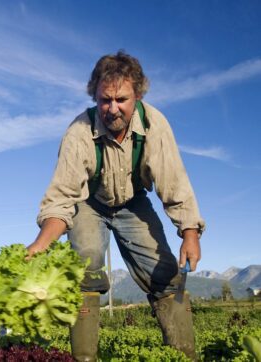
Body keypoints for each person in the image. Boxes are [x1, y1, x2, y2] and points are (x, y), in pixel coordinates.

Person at [27, 51, 205, 361]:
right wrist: (40, 246)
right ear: (95, 96)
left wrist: (190, 233)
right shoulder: (79, 132)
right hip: (89, 203)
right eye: (104, 100)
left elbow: (174, 182)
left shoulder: (154, 125)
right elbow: (63, 198)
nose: (112, 108)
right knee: (85, 263)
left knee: (167, 273)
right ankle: (84, 357)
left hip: (133, 202)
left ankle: (184, 355)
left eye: (121, 99)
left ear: (137, 95)